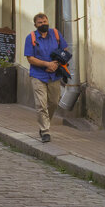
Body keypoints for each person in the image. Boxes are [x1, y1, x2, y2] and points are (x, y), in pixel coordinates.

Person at [23, 12, 70, 143]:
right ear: (35, 25)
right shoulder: (31, 37)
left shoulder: (55, 34)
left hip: (54, 75)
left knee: (54, 102)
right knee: (41, 104)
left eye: (45, 21)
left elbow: (64, 50)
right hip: (38, 75)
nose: (43, 24)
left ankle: (45, 121)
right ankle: (45, 131)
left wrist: (55, 64)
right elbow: (30, 58)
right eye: (40, 23)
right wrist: (46, 64)